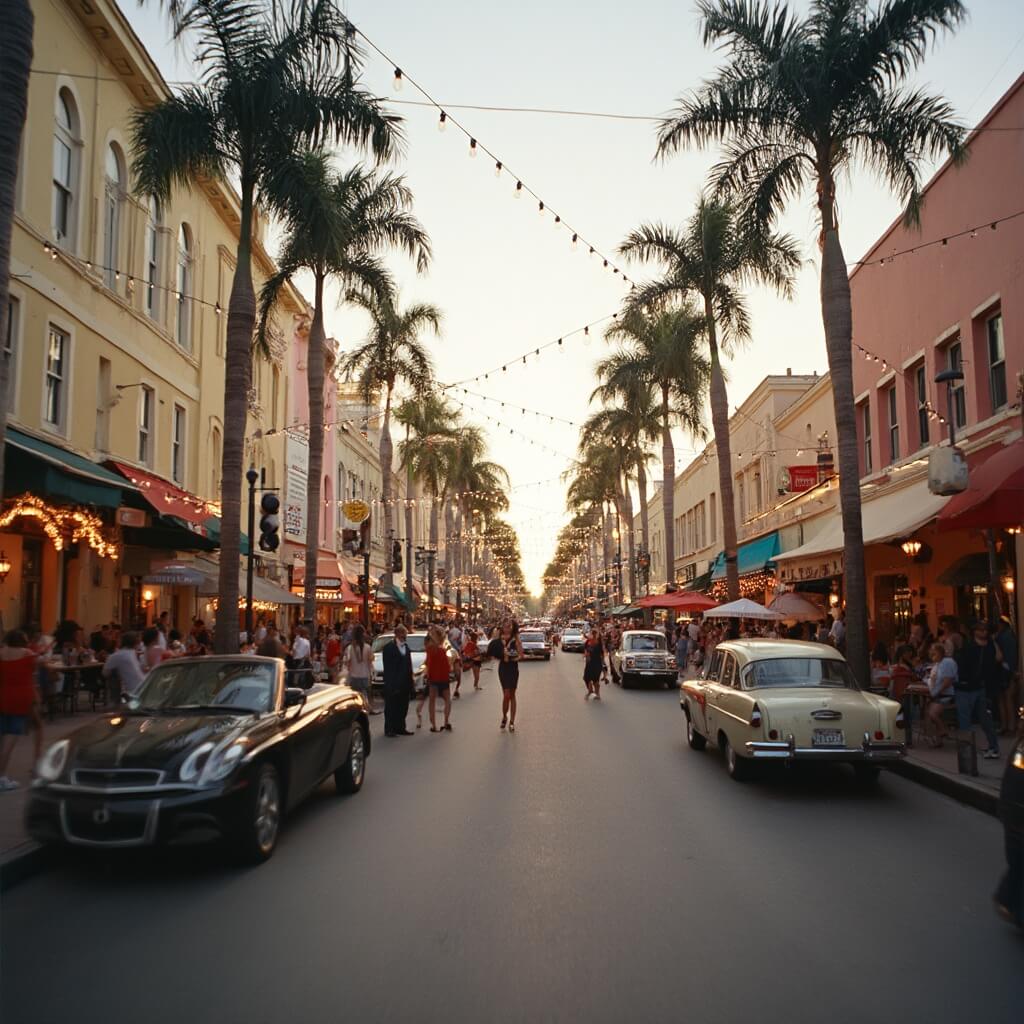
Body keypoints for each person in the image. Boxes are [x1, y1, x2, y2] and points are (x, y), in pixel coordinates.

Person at [954, 621, 1002, 759]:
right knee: (965, 722)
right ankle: (967, 754)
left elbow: (999, 658)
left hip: (981, 688)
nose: (983, 632)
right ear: (974, 631)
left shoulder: (990, 646)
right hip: (965, 687)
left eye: (985, 630)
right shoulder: (968, 647)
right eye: (980, 630)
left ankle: (993, 748)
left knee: (986, 720)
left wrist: (993, 642)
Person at [0, 631, 40, 791]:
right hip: (21, 698)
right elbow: (34, 674)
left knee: (2, 736)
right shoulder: (28, 655)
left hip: (2, 695)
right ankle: (1, 776)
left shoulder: (1, 653)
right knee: (11, 739)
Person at [382, 624, 415, 737]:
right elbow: (388, 668)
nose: (405, 636)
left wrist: (411, 682)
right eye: (402, 633)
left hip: (404, 683)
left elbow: (409, 666)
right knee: (391, 707)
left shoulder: (406, 648)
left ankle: (400, 727)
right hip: (393, 682)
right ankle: (390, 728)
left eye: (405, 633)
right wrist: (391, 684)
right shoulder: (389, 648)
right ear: (397, 634)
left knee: (403, 706)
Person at [924, 641, 957, 746]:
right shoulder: (937, 664)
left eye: (935, 654)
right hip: (938, 694)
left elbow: (947, 681)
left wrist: (937, 693)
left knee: (932, 713)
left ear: (940, 652)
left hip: (945, 695)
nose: (932, 656)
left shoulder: (948, 662)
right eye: (931, 654)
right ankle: (937, 739)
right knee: (928, 713)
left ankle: (943, 731)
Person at [101, 631, 144, 703]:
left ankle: (114, 702)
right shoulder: (132, 653)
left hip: (133, 691)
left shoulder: (116, 656)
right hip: (144, 687)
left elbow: (105, 673)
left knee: (113, 677)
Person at [424, 625, 453, 732]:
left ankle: (434, 725)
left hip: (433, 677)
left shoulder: (430, 649)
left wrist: (428, 675)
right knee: (447, 700)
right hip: (443, 676)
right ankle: (446, 721)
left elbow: (428, 664)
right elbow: (447, 665)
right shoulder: (443, 650)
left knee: (432, 701)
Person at [494, 620, 521, 731]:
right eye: (505, 626)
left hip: (513, 668)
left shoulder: (516, 639)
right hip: (503, 668)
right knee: (506, 695)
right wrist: (501, 655)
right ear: (502, 628)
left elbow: (521, 654)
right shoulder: (499, 639)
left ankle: (512, 721)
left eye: (509, 626)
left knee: (512, 695)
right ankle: (505, 716)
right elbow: (493, 654)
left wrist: (514, 657)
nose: (507, 628)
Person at [995, 616, 1019, 736]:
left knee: (1005, 698)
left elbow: (1008, 657)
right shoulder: (1008, 636)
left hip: (1004, 670)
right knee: (1006, 699)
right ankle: (1009, 725)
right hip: (1006, 669)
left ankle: (1008, 726)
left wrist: (1011, 670)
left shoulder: (1004, 637)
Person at [342, 624, 374, 707]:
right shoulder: (367, 647)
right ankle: (367, 707)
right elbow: (371, 662)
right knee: (364, 694)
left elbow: (346, 662)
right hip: (365, 675)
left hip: (353, 675)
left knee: (355, 697)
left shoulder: (349, 648)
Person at [583, 627, 604, 701]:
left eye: (593, 633)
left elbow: (602, 653)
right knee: (586, 678)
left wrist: (603, 664)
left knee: (595, 679)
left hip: (597, 663)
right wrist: (586, 654)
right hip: (589, 663)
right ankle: (590, 691)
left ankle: (597, 694)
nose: (591, 635)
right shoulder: (588, 642)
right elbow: (585, 649)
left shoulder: (599, 643)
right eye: (592, 633)